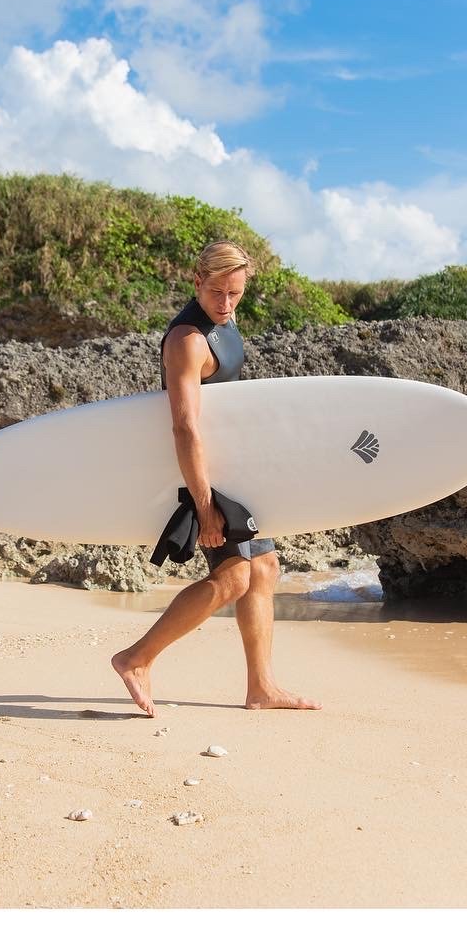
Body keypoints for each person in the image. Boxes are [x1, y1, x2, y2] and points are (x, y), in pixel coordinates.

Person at [112, 241, 321, 717]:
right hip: (203, 475)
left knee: (264, 568)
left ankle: (261, 687)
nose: (226, 304)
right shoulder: (187, 340)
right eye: (217, 293)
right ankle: (135, 658)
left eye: (235, 293)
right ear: (196, 282)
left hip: (234, 469)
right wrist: (205, 505)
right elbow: (185, 427)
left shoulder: (223, 320)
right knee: (233, 577)